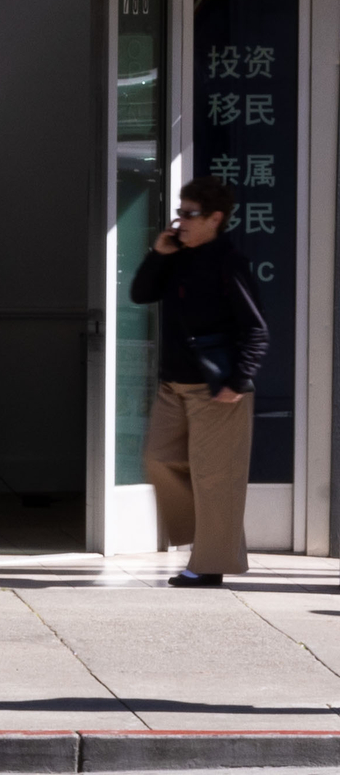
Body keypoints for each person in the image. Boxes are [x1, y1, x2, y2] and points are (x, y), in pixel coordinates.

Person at [130, 176, 268, 588]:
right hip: (174, 383)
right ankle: (205, 535)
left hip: (218, 389)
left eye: (190, 214)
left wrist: (239, 379)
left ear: (215, 219)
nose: (180, 221)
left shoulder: (228, 262)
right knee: (159, 459)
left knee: (216, 479)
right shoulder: (175, 256)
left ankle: (209, 565)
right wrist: (158, 254)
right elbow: (140, 293)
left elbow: (256, 329)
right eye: (180, 212)